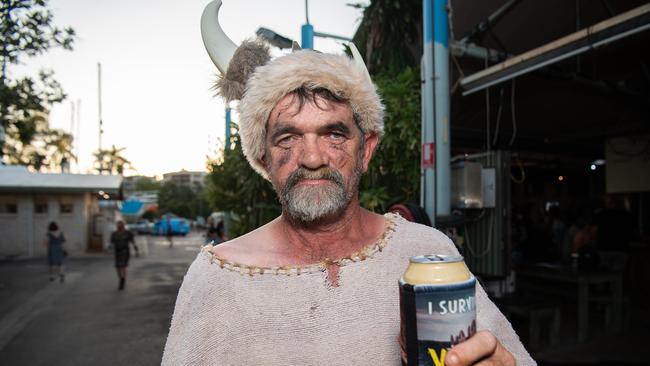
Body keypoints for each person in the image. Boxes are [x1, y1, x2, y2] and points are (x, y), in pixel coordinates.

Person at [163, 3, 533, 365]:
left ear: (366, 150)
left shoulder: (425, 249)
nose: (312, 158)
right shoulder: (218, 280)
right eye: (287, 138)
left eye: (334, 134)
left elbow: (504, 353)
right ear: (263, 158)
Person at [109, 221, 138, 290]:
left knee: (123, 266)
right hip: (117, 252)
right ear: (117, 226)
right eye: (118, 225)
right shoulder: (114, 234)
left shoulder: (128, 233)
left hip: (125, 252)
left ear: (123, 226)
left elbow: (132, 241)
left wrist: (136, 249)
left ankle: (122, 282)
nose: (119, 227)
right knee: (118, 268)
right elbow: (111, 243)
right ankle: (121, 278)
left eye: (121, 225)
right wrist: (109, 249)